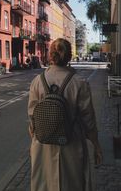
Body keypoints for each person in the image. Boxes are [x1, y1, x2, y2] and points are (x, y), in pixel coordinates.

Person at [28, 38, 102, 191]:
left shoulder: (37, 81)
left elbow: (32, 116)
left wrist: (35, 134)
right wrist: (96, 144)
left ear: (50, 56)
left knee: (44, 183)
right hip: (72, 142)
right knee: (71, 183)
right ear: (69, 57)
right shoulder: (78, 82)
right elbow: (89, 119)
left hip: (43, 144)